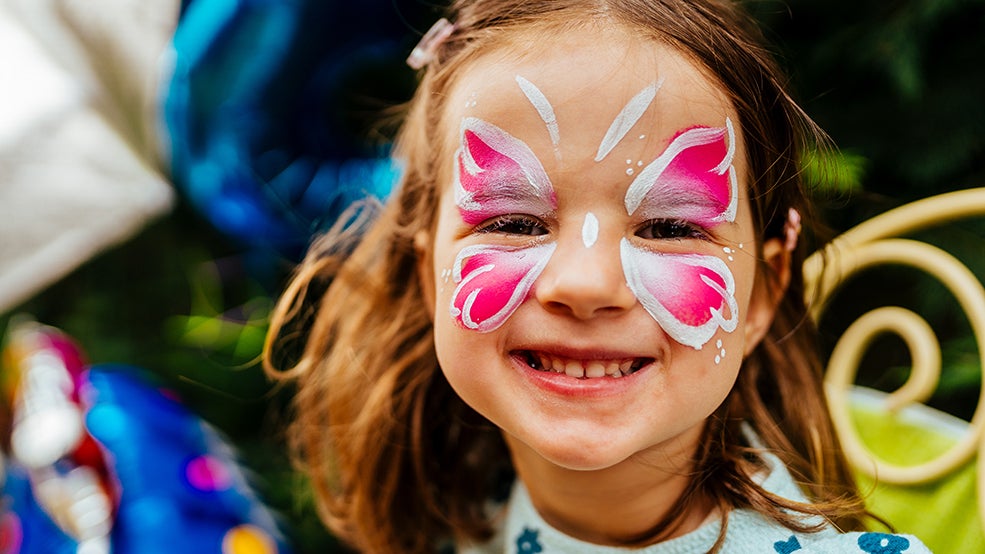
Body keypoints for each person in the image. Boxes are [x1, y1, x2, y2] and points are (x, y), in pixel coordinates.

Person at [264, 1, 933, 552]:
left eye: (669, 228)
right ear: (429, 276)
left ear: (761, 291)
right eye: (515, 223)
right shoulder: (462, 517)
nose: (584, 285)